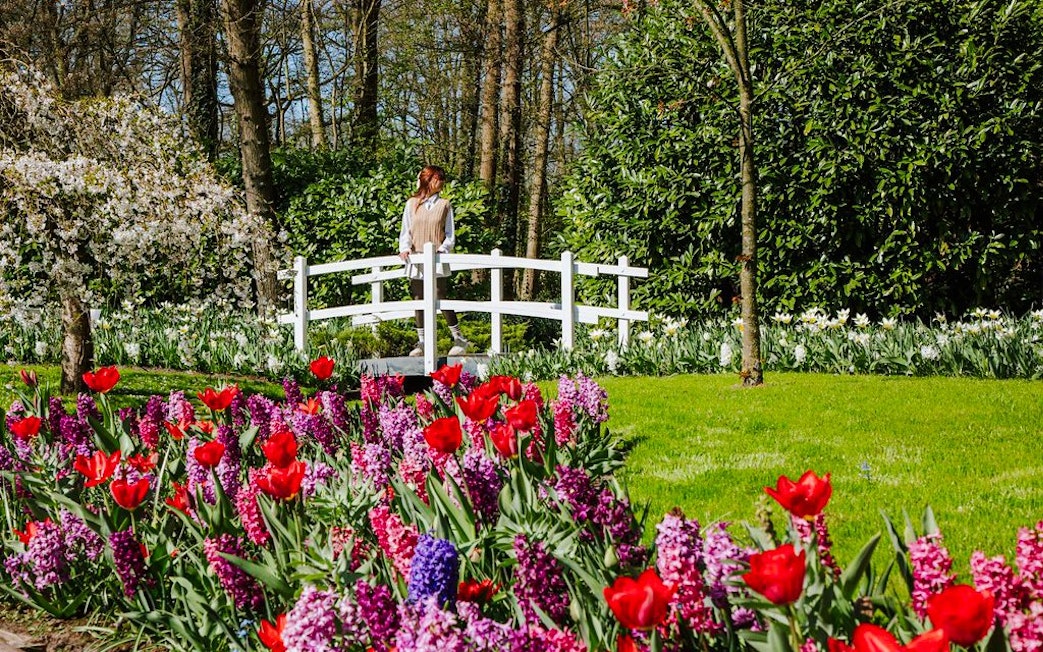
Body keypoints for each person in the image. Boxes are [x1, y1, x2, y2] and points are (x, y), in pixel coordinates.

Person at [398, 165, 470, 357]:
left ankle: (458, 338)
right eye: (438, 178)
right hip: (417, 258)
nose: (442, 181)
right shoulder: (412, 204)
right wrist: (404, 249)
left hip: (436, 258)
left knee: (441, 295)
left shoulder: (445, 205)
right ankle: (422, 342)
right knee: (418, 298)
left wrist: (442, 249)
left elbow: (450, 235)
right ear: (428, 180)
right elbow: (406, 230)